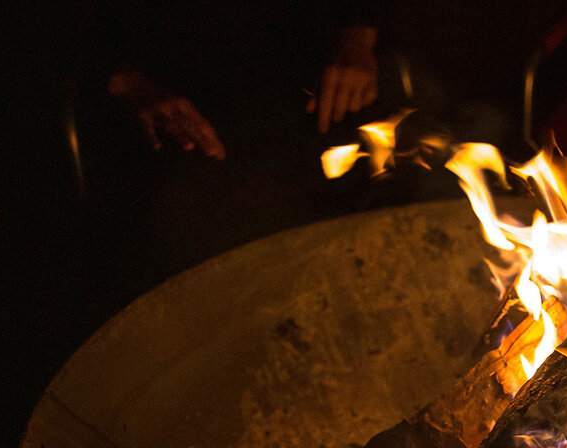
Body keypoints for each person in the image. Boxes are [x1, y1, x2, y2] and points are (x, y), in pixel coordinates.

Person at [81, 0, 392, 287]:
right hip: (182, 113)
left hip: (305, 85)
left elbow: (359, 14)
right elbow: (77, 38)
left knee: (394, 188)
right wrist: (131, 85)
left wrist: (358, 41)